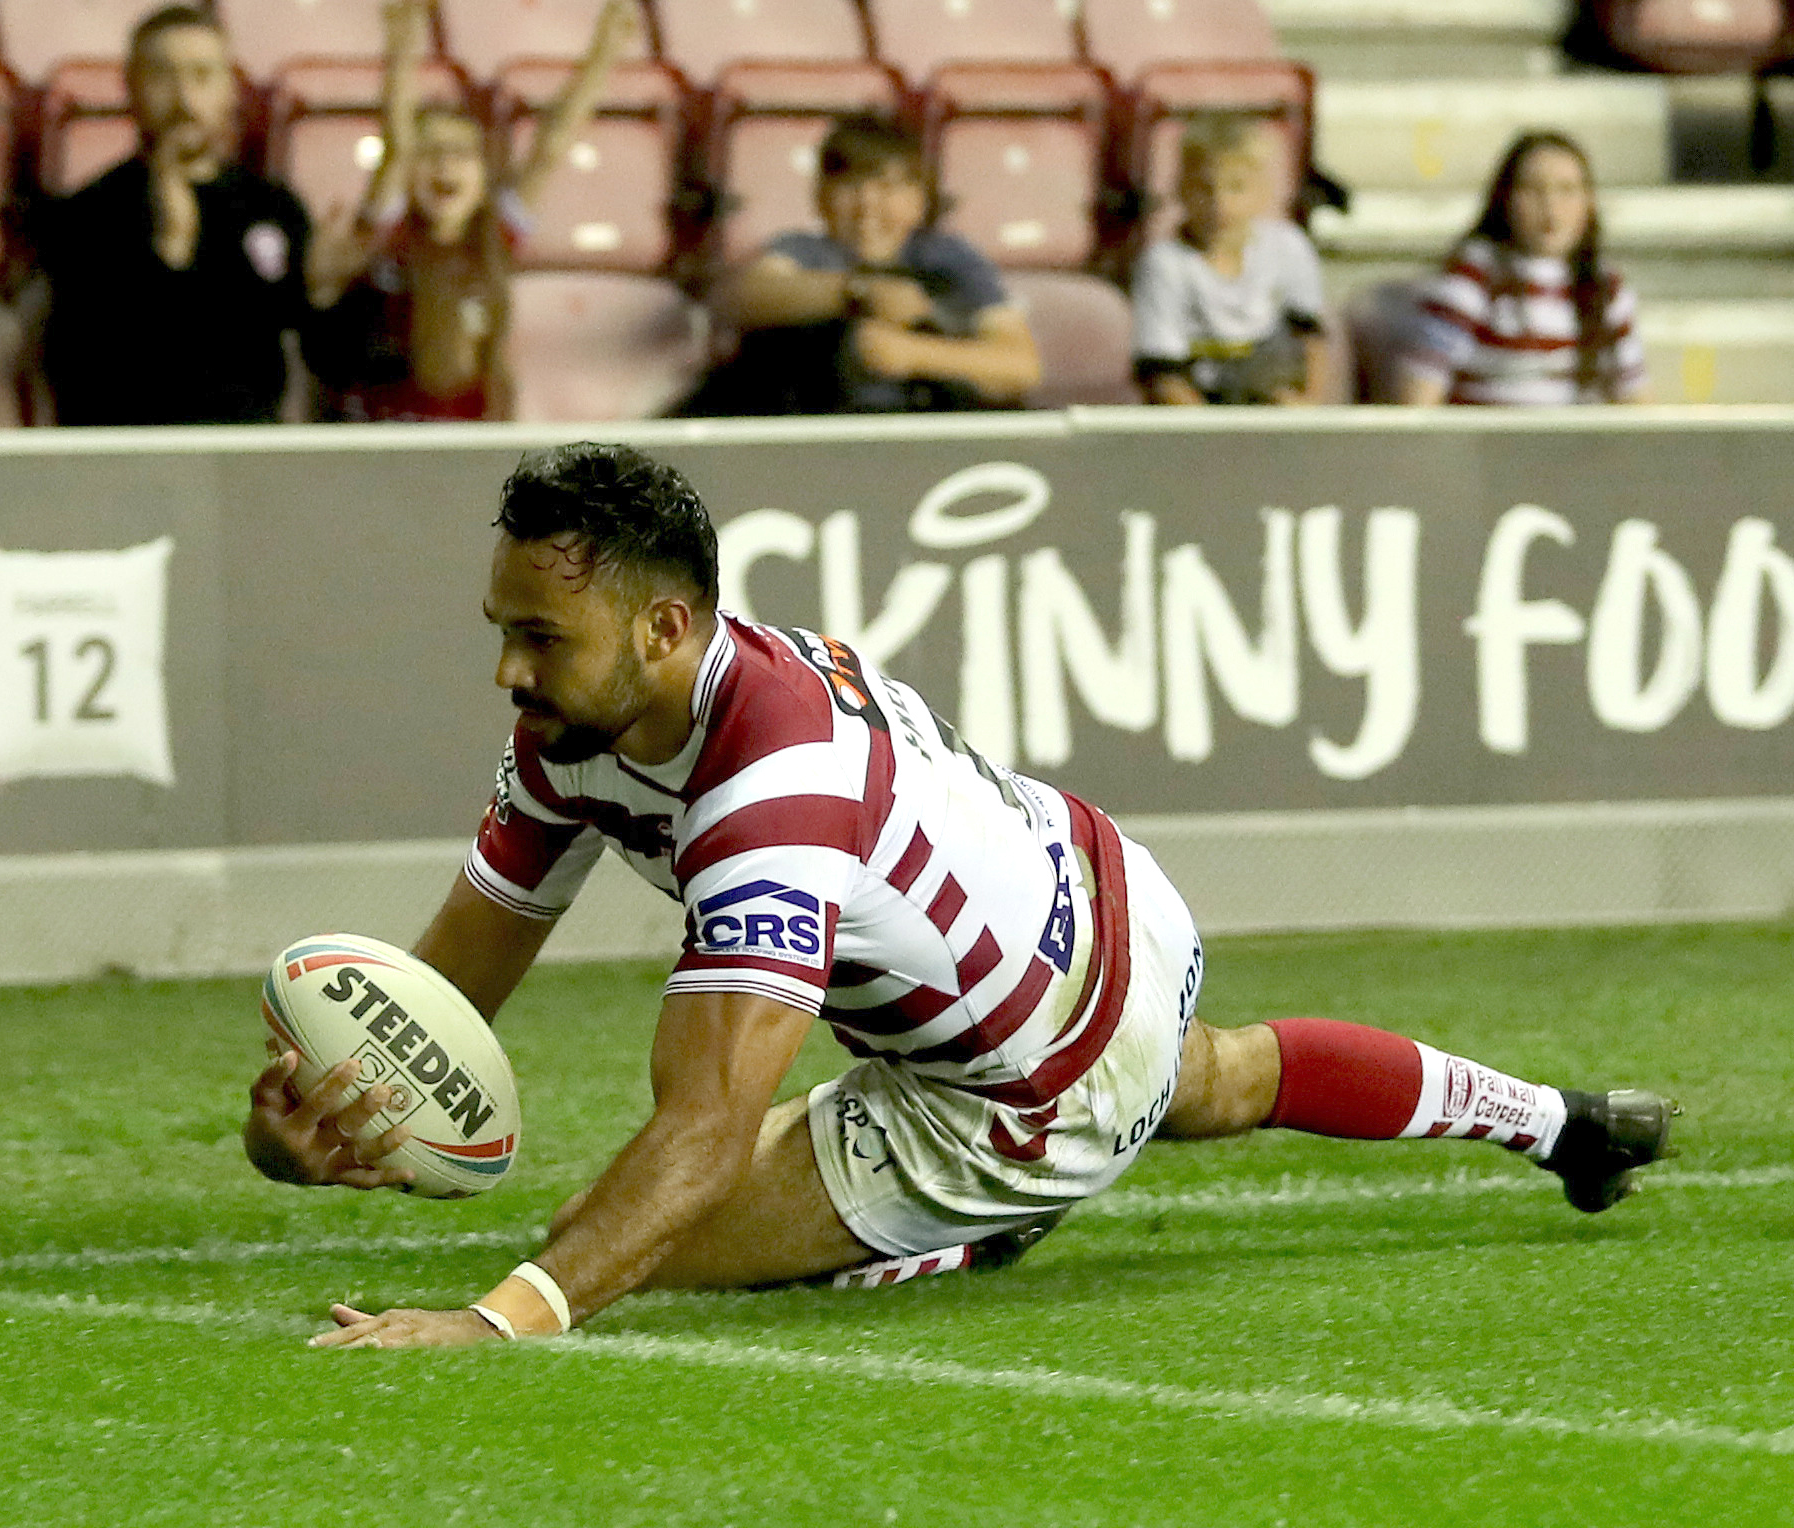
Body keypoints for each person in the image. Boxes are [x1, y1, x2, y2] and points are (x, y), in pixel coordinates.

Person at [241, 441, 1678, 1350]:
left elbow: (705, 1129)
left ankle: (979, 1221)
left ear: (664, 626)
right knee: (1217, 1079)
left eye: (540, 637)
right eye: (502, 630)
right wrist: (340, 1105)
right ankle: (1563, 1125)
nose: (508, 670)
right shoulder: (603, 714)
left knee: (602, 1235)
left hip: (1018, 1089)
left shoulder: (772, 792)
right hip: (1111, 902)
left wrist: (502, 1320)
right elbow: (443, 996)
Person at [304, 0, 642, 422]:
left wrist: (603, 54)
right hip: (386, 436)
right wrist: (402, 50)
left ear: (484, 178)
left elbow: (549, 149)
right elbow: (396, 143)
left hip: (473, 437)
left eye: (462, 154)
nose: (446, 165)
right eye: (431, 152)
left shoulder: (494, 237)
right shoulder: (388, 234)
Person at [35, 7, 325, 426]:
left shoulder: (274, 207)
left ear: (231, 89)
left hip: (246, 453)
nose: (185, 99)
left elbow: (326, 359)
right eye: (162, 76)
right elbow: (81, 376)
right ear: (130, 87)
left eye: (202, 75)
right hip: (127, 455)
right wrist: (170, 253)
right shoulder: (84, 217)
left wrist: (327, 291)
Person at [691, 114, 1041, 415]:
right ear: (820, 196)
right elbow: (743, 296)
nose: (868, 204)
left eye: (888, 187)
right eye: (851, 186)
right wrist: (855, 294)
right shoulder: (804, 252)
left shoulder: (949, 260)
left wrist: (912, 354)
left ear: (919, 199)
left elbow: (1020, 365)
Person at [1400, 131, 1648, 406]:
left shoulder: (1605, 286)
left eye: (1567, 190)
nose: (1551, 207)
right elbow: (1420, 393)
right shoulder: (1474, 274)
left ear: (1589, 202)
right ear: (1506, 198)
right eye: (1533, 189)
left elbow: (1635, 400)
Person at [1131, 114, 1328, 406]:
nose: (1219, 203)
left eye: (1236, 187)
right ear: (1181, 189)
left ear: (1263, 192)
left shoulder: (1289, 247)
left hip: (1276, 409)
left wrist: (1307, 408)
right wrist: (1212, 429)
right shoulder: (1163, 265)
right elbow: (1163, 374)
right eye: (1204, 188)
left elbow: (1311, 342)